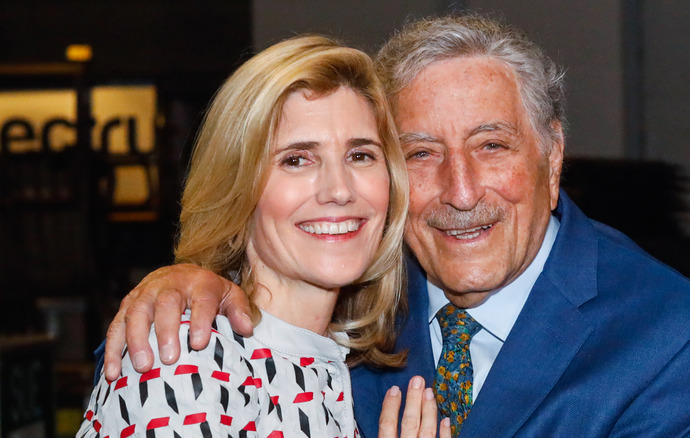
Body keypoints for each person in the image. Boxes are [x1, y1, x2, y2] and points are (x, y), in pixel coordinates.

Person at [101, 14, 690, 437]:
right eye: (421, 153)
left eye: (492, 146)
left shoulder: (674, 345)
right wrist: (188, 280)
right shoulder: (351, 285)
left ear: (552, 162)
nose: (460, 192)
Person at [79, 34, 448, 438]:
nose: (340, 190)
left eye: (360, 155)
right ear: (238, 187)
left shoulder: (328, 365)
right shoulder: (189, 354)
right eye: (296, 160)